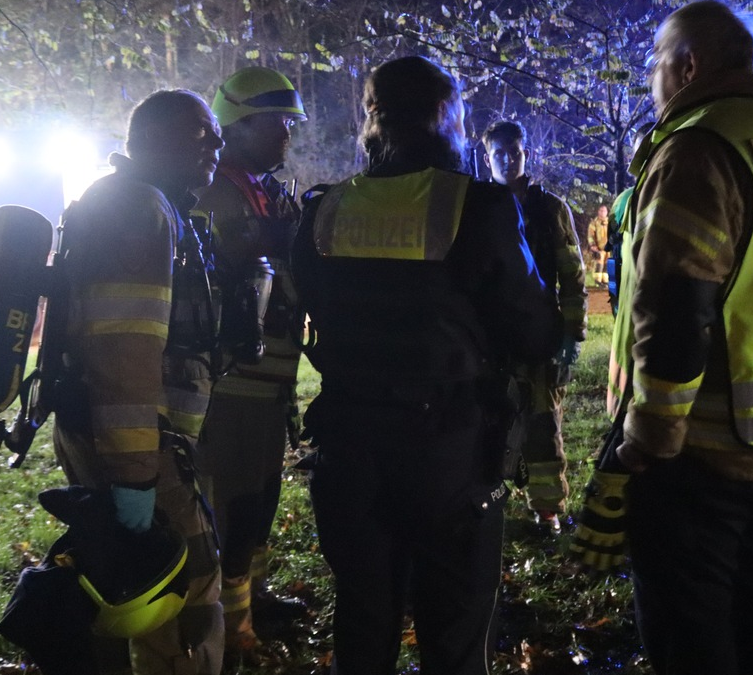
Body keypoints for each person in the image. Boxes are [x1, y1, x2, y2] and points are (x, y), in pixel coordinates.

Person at [290, 55, 561, 674]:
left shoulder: (325, 210)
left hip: (348, 441)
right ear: (445, 116)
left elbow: (311, 307)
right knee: (457, 628)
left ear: (371, 118)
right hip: (449, 449)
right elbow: (533, 329)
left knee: (362, 619)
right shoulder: (479, 206)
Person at [612, 3, 753, 673]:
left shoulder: (697, 149)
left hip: (706, 451)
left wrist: (650, 435)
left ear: (688, 66)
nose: (652, 81)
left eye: (656, 65)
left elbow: (679, 305)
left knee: (691, 629)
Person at [50, 89, 225, 674]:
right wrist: (136, 478)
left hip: (122, 434)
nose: (218, 143)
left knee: (118, 581)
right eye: (203, 133)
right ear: (155, 140)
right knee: (181, 595)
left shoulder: (134, 203)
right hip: (141, 443)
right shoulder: (137, 209)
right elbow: (124, 350)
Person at [194, 66, 308, 661]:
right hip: (234, 386)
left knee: (260, 498)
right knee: (236, 505)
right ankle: (233, 631)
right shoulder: (217, 192)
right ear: (236, 125)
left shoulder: (259, 189)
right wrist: (276, 238)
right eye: (277, 122)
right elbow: (227, 267)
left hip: (269, 385)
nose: (288, 134)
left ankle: (252, 601)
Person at [481, 120, 587, 533]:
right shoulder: (475, 206)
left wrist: (571, 337)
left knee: (543, 427)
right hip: (490, 340)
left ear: (526, 153)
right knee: (490, 421)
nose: (508, 159)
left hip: (540, 336)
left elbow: (572, 276)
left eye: (515, 151)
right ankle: (488, 503)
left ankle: (547, 510)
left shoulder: (549, 208)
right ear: (486, 157)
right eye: (499, 153)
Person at [586, 204, 610, 287]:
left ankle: (605, 281)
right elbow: (590, 235)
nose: (603, 212)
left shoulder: (610, 222)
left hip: (608, 248)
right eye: (601, 210)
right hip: (599, 248)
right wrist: (593, 246)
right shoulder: (594, 223)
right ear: (598, 211)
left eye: (604, 211)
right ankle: (598, 281)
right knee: (599, 264)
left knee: (607, 264)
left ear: (607, 212)